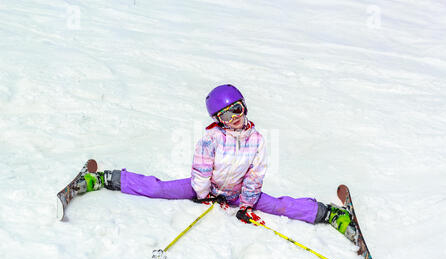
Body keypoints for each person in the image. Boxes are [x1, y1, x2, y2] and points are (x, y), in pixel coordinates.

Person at [78, 84, 356, 240]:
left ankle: (329, 214)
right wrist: (202, 194)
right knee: (160, 188)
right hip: (207, 187)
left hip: (238, 193)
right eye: (226, 116)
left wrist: (246, 204)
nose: (234, 118)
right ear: (217, 120)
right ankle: (106, 178)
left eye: (237, 110)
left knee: (280, 205)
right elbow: (201, 170)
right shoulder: (211, 139)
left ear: (244, 107)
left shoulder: (257, 140)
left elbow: (255, 175)